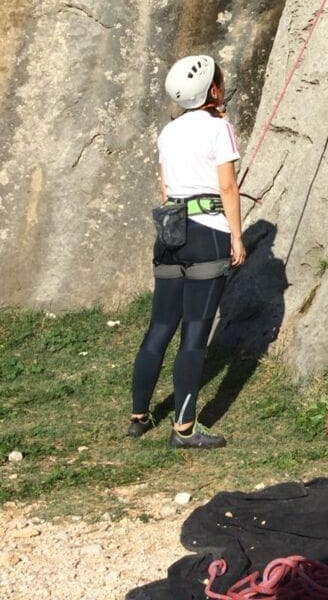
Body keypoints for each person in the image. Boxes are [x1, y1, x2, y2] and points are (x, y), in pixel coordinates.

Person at [128, 54, 246, 449]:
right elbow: (227, 187)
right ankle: (184, 428)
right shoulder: (219, 128)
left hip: (170, 233)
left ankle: (139, 417)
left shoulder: (168, 131)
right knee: (194, 333)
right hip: (207, 233)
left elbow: (165, 188)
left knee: (159, 327)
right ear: (212, 89)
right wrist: (236, 236)